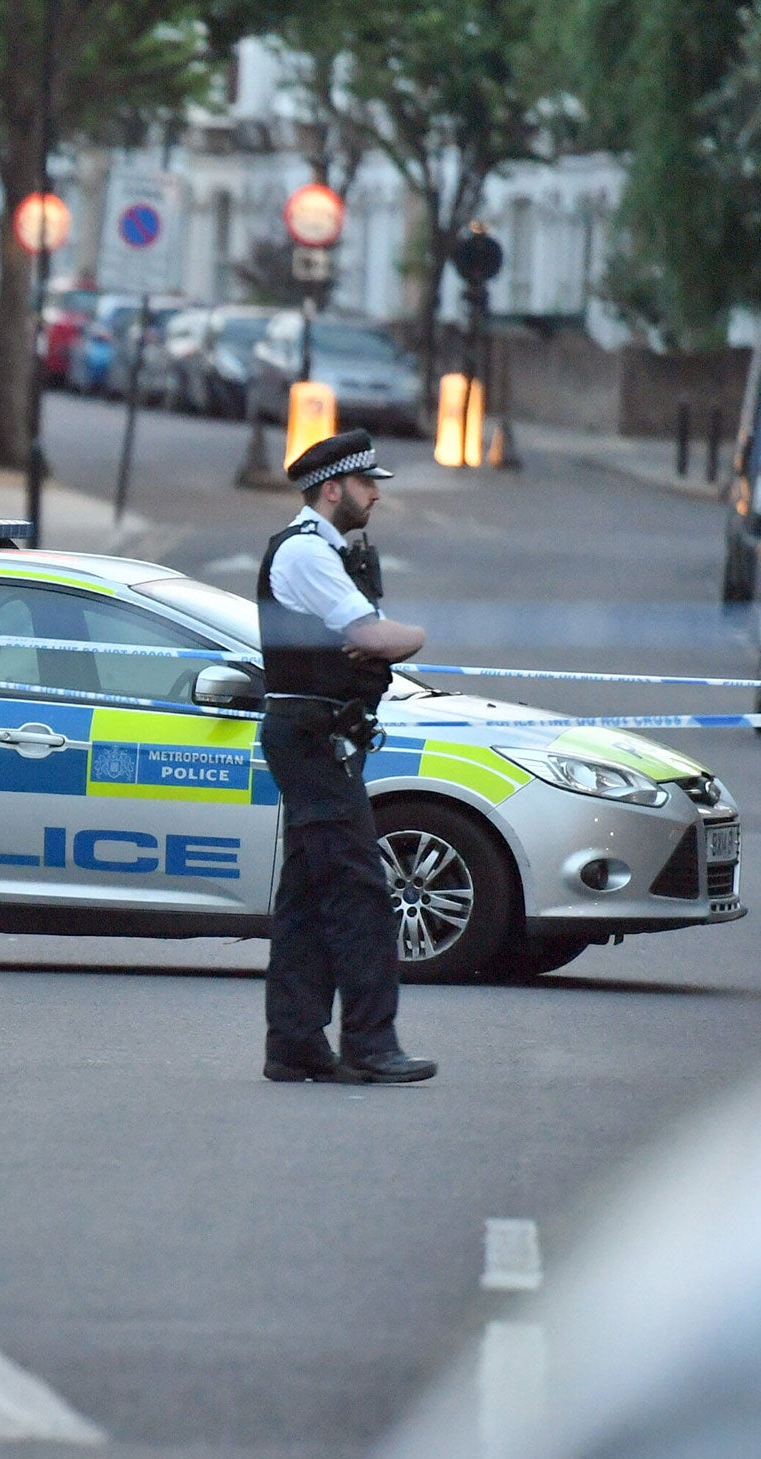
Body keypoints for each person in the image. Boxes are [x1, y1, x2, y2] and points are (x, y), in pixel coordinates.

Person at [256, 428, 437, 1086]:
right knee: (361, 894)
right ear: (332, 489)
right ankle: (370, 1043)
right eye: (367, 485)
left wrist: (377, 643)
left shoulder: (321, 551)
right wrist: (410, 635)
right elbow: (371, 636)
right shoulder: (307, 554)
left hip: (318, 736)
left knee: (306, 898)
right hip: (313, 740)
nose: (374, 496)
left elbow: (364, 642)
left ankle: (296, 1044)